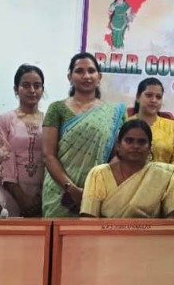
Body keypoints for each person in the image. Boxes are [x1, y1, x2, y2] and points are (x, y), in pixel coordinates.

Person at [41, 52, 127, 217]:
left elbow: (119, 155)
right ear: (70, 77)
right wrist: (71, 189)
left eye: (91, 71)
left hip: (98, 192)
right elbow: (48, 155)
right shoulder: (56, 108)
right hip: (59, 193)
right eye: (79, 71)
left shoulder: (115, 112)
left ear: (99, 77)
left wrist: (94, 189)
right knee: (57, 233)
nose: (86, 76)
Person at [80, 120, 174, 218]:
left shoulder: (163, 175)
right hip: (104, 230)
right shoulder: (99, 174)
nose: (136, 146)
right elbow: (88, 216)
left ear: (149, 147)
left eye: (142, 142)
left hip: (150, 230)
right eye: (129, 141)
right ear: (118, 145)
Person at [0, 64, 46, 217]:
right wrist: (21, 198)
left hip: (42, 197)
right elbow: (0, 157)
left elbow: (53, 157)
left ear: (42, 89)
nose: (32, 90)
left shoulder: (49, 121)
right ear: (16, 89)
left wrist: (40, 198)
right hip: (8, 194)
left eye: (37, 86)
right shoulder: (4, 120)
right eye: (26, 85)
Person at [128, 77, 174, 180]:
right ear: (138, 97)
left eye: (158, 97)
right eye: (149, 95)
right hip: (128, 184)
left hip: (163, 186)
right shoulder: (125, 124)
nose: (154, 100)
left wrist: (159, 184)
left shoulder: (173, 127)